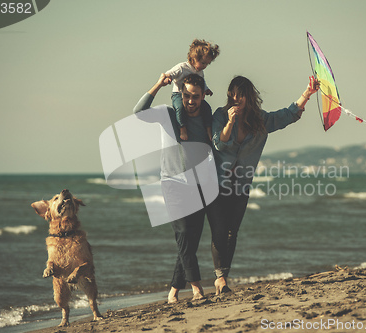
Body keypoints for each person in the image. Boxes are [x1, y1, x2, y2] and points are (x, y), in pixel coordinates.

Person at [208, 75, 320, 294]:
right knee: (219, 231)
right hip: (217, 183)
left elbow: (288, 115)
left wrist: (307, 93)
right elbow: (219, 144)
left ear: (249, 96)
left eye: (240, 94)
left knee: (232, 232)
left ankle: (223, 278)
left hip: (241, 183)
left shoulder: (260, 121)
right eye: (232, 94)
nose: (236, 98)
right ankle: (219, 277)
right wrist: (230, 122)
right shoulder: (220, 116)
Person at [133, 73, 213, 303]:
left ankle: (173, 291)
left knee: (189, 243)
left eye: (195, 97)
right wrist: (159, 83)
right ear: (181, 94)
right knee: (184, 234)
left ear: (202, 96)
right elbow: (138, 112)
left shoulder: (206, 119)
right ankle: (196, 288)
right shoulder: (169, 114)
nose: (190, 101)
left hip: (200, 186)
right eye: (186, 95)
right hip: (173, 184)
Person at [165, 39, 220, 141]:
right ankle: (182, 128)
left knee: (207, 108)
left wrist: (206, 90)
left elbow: (202, 83)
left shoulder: (200, 72)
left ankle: (209, 131)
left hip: (193, 95)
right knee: (180, 108)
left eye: (206, 64)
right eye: (203, 63)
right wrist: (168, 78)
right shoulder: (182, 67)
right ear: (194, 58)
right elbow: (170, 73)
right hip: (178, 94)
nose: (204, 66)